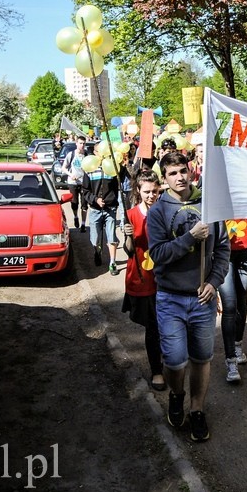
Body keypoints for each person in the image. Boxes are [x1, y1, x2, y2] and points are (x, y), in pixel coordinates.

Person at [147, 152, 230, 442]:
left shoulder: (209, 205)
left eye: (182, 170)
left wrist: (214, 282)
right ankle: (176, 394)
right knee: (175, 360)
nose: (179, 177)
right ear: (164, 178)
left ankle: (197, 409)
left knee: (202, 358)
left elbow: (223, 250)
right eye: (172, 173)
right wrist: (189, 238)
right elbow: (158, 254)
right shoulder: (158, 211)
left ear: (190, 170)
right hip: (170, 298)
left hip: (203, 299)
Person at [121, 170, 166, 391]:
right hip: (143, 278)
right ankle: (157, 370)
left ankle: (168, 358)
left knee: (167, 324)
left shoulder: (165, 211)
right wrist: (129, 235)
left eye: (155, 191)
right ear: (138, 191)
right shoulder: (130, 214)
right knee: (153, 326)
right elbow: (129, 251)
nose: (151, 195)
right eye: (147, 191)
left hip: (165, 277)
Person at [219, 218, 247, 382]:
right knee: (229, 305)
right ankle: (231, 360)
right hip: (222, 249)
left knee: (241, 301)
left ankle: (238, 344)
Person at [81, 144, 121, 276]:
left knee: (111, 236)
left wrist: (123, 166)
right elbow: (85, 191)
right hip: (95, 209)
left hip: (110, 208)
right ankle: (97, 251)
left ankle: (112, 263)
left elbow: (120, 184)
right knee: (95, 238)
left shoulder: (112, 167)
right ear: (95, 152)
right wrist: (95, 199)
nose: (102, 155)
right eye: (99, 152)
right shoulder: (89, 169)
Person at [63, 136, 88, 231]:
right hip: (73, 182)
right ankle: (75, 216)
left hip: (84, 183)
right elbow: (63, 168)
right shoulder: (71, 154)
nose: (82, 145)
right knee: (74, 203)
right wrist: (71, 175)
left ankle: (83, 224)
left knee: (84, 204)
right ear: (76, 143)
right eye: (80, 143)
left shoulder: (87, 155)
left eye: (84, 143)